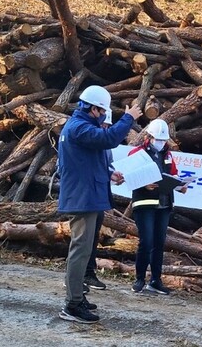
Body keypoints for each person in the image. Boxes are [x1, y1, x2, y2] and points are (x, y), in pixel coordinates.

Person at [57, 85, 141, 324]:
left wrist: (109, 173)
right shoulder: (79, 127)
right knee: (80, 251)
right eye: (102, 111)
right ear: (93, 109)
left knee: (84, 252)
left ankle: (77, 296)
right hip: (83, 199)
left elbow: (87, 161)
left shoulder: (79, 127)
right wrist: (129, 118)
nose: (104, 116)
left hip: (87, 197)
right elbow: (110, 138)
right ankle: (72, 305)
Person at [127, 118, 185, 295]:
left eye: (163, 140)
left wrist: (180, 185)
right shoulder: (137, 153)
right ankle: (139, 278)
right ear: (149, 137)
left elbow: (173, 175)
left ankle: (155, 280)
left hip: (164, 204)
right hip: (144, 204)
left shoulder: (168, 155)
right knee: (147, 241)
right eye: (157, 139)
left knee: (159, 243)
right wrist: (144, 184)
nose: (160, 143)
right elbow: (129, 176)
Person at [83, 109, 116, 292]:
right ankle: (76, 276)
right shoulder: (84, 138)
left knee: (93, 236)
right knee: (82, 239)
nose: (105, 128)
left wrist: (113, 174)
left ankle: (89, 272)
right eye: (103, 125)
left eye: (107, 126)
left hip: (99, 196)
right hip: (85, 197)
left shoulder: (106, 147)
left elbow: (106, 167)